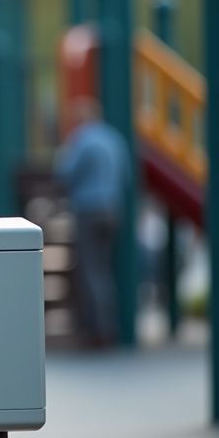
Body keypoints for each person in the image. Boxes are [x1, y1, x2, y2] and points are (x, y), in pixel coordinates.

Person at [54, 97, 131, 348]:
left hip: (88, 209)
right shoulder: (114, 139)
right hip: (112, 207)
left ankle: (97, 329)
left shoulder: (83, 138)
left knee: (89, 270)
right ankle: (110, 324)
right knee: (104, 269)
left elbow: (64, 172)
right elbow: (127, 174)